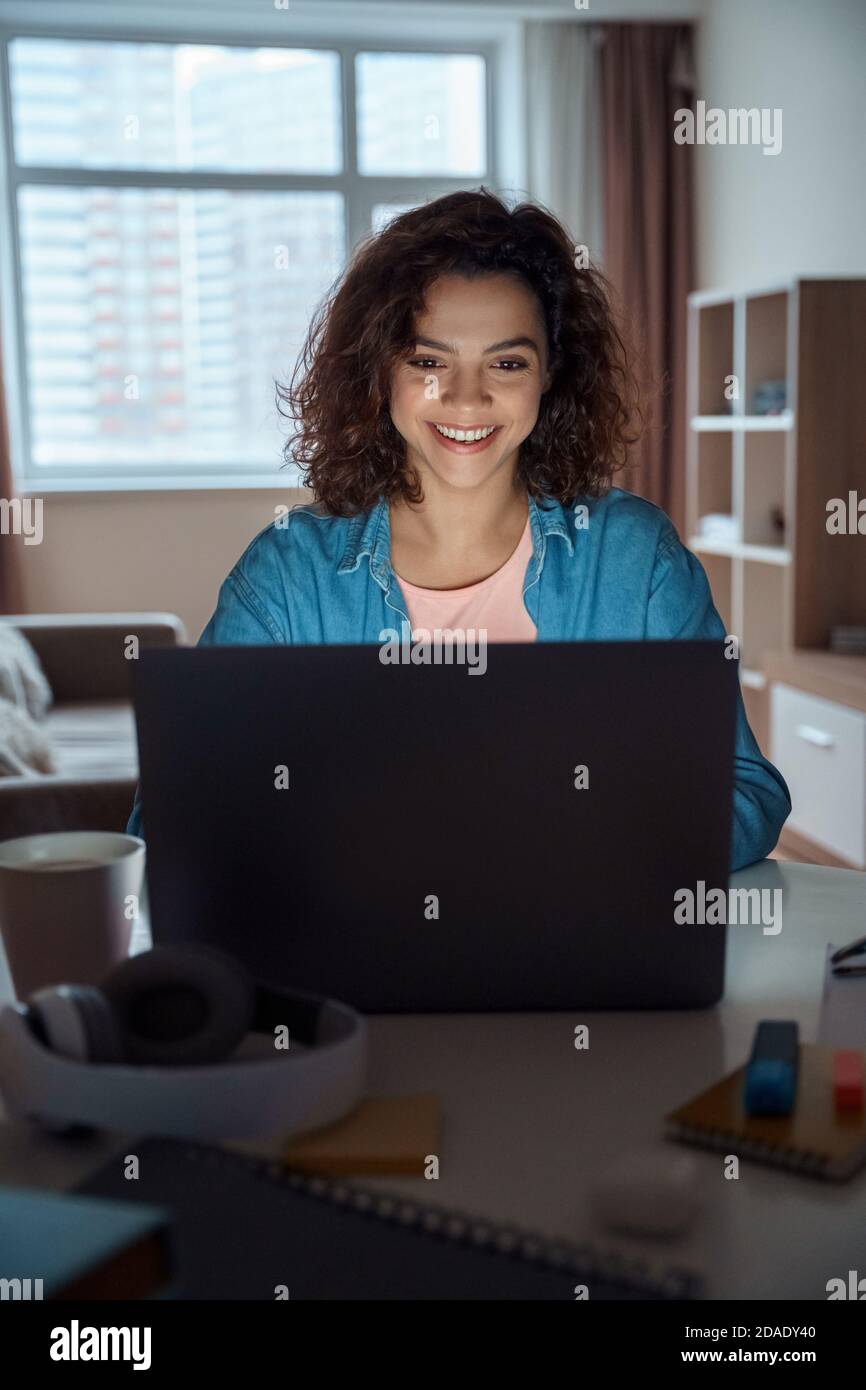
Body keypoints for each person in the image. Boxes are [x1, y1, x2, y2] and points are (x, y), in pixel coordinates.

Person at [128, 187, 790, 870]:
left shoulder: (636, 559)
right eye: (428, 362)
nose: (467, 398)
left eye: (507, 363)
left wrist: (590, 844)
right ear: (381, 372)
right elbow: (170, 817)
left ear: (550, 376)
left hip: (573, 960)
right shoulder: (287, 577)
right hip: (351, 967)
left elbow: (743, 789)